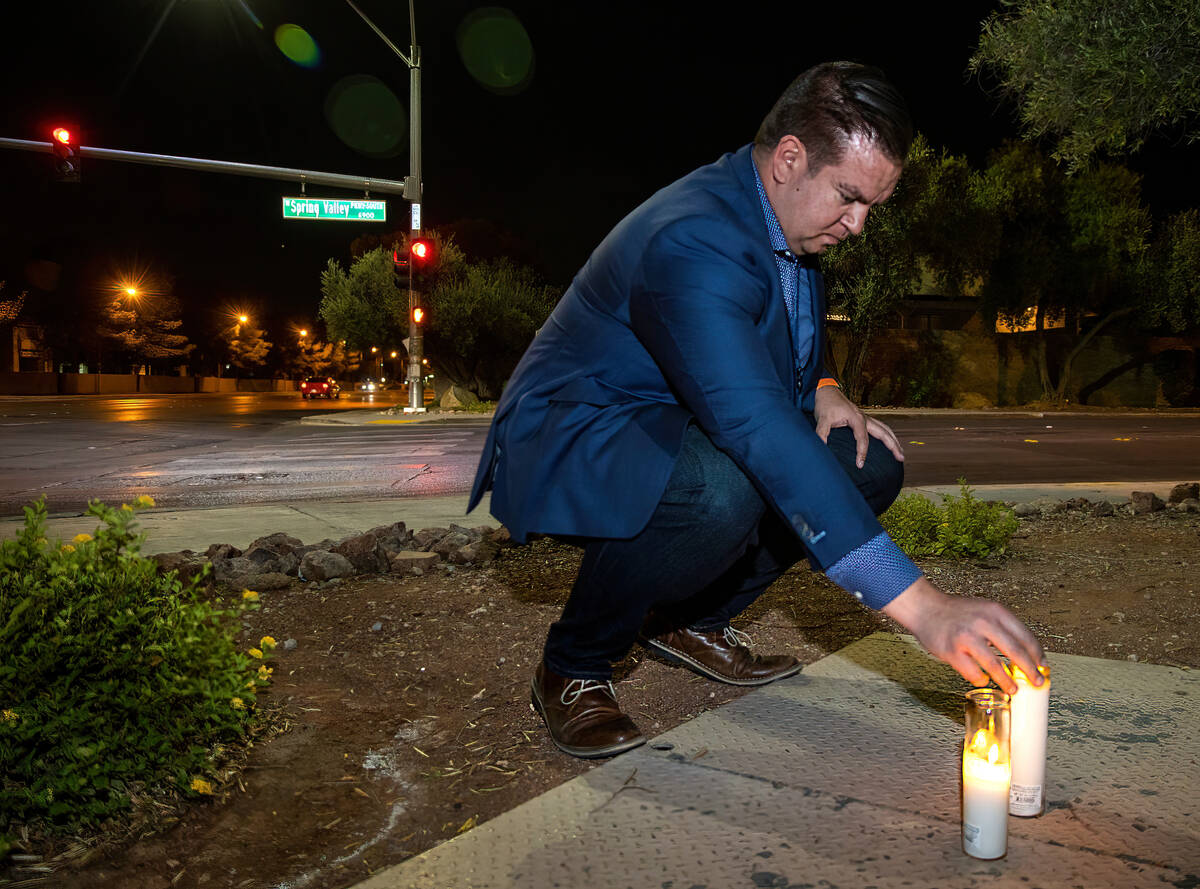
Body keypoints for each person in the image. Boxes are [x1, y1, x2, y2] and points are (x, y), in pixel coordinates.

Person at [468, 61, 1046, 759]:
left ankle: (690, 623)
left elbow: (787, 314)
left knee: (867, 461)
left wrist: (827, 384)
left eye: (873, 207)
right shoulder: (692, 240)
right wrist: (923, 607)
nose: (859, 226)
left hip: (667, 420)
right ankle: (573, 663)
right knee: (725, 485)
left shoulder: (785, 212)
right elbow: (758, 430)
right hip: (575, 430)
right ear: (790, 158)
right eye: (850, 198)